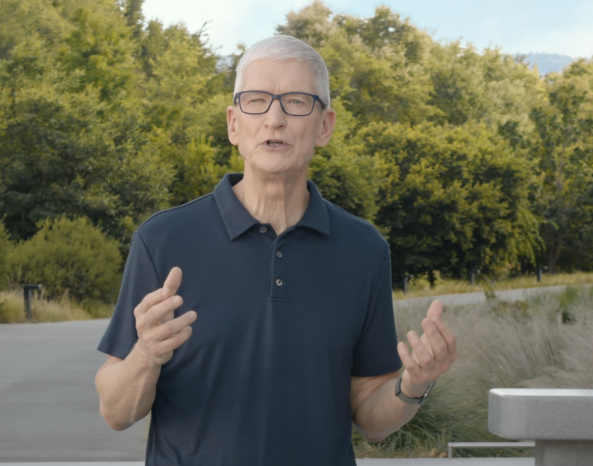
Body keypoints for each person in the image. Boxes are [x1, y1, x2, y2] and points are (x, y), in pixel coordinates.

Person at [95, 35, 457, 466]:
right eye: (256, 101)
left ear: (325, 126)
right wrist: (145, 355)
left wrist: (413, 385)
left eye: (297, 102)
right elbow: (116, 413)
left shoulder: (365, 250)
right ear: (233, 124)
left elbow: (370, 417)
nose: (274, 118)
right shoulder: (161, 240)